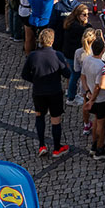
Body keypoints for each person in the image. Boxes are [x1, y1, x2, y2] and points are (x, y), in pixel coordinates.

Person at [21, 27, 70, 157]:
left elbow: (24, 74)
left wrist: (36, 80)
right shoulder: (57, 55)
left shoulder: (33, 56)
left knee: (39, 116)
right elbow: (67, 73)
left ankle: (42, 145)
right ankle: (57, 148)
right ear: (52, 41)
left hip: (39, 92)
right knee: (55, 120)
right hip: (54, 92)